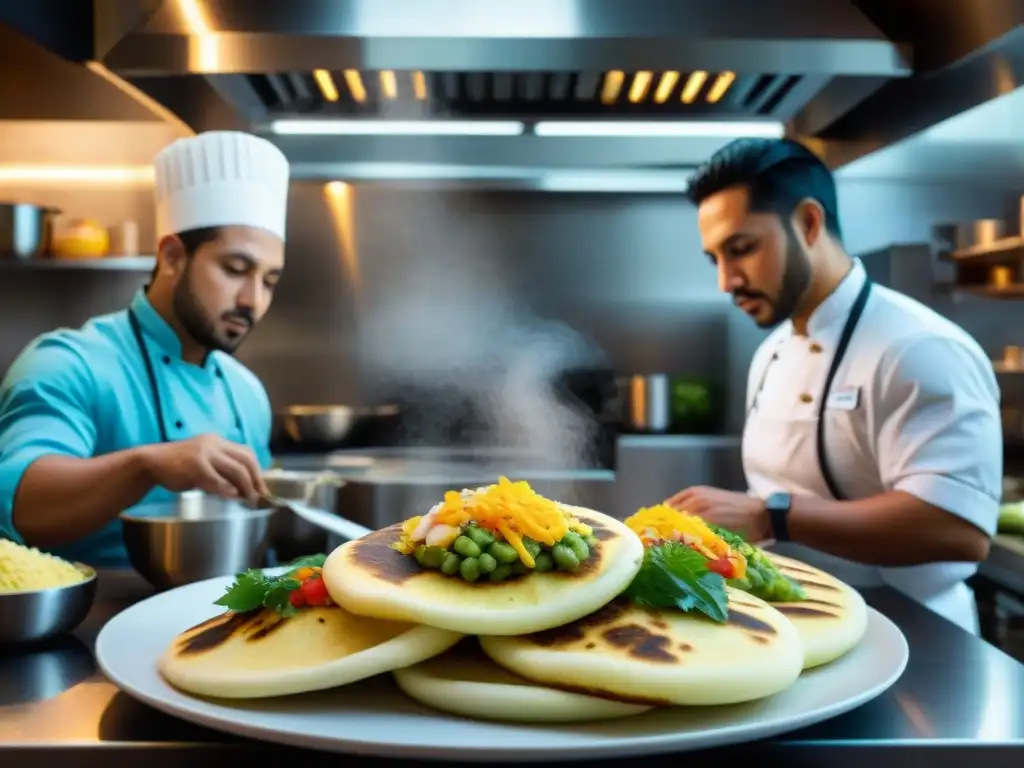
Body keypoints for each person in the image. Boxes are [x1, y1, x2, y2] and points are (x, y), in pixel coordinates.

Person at [666, 137, 1002, 634]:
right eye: (715, 258)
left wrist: (768, 517)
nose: (726, 280)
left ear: (808, 223)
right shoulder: (772, 352)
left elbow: (955, 529)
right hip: (795, 625)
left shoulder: (920, 347)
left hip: (915, 634)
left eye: (742, 249)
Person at [0, 130, 290, 567]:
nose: (253, 300)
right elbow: (20, 506)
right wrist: (147, 465)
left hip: (227, 620)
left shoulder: (246, 391)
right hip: (88, 622)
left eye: (269, 281)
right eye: (235, 269)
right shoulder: (67, 363)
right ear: (172, 256)